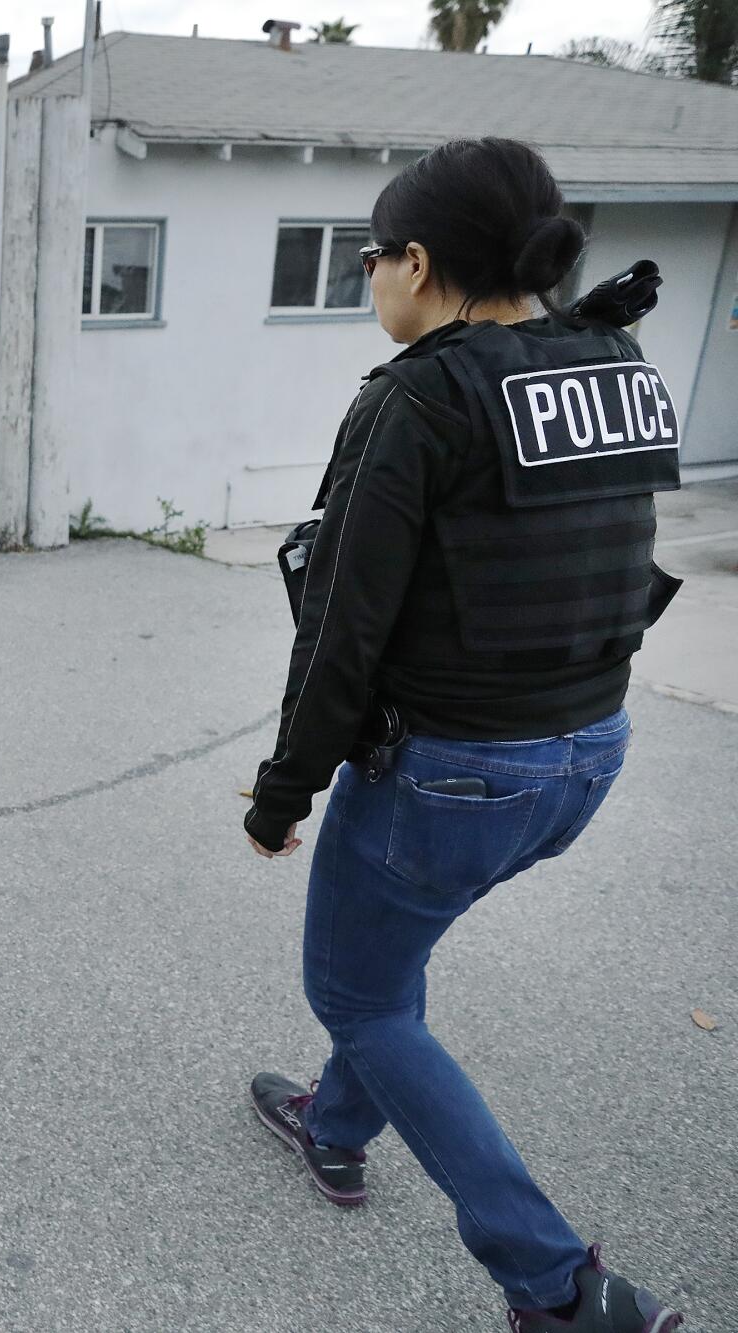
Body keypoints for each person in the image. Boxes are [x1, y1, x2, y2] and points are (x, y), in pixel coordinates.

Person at [242, 139, 684, 1333]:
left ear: (417, 263)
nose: (367, 283)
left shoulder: (416, 396)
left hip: (453, 774)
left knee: (358, 994)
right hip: (585, 754)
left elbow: (340, 627)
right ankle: (333, 1130)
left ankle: (556, 1286)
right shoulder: (608, 359)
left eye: (370, 260)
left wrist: (279, 794)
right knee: (391, 954)